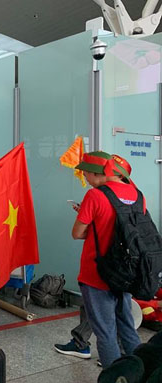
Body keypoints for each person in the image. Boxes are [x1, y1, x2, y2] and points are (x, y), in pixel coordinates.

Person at [54, 154, 134, 361]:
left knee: (105, 332)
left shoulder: (95, 195)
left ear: (96, 173)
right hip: (125, 271)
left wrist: (88, 218)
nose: (85, 178)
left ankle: (114, 380)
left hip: (97, 273)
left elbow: (77, 233)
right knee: (127, 327)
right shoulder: (135, 193)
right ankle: (138, 374)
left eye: (85, 174)